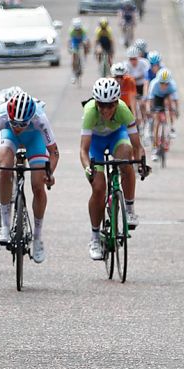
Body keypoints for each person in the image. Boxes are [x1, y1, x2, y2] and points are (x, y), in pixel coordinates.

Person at [0, 92, 58, 263]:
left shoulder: (40, 118)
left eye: (23, 124)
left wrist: (49, 173)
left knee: (37, 186)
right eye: (14, 123)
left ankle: (38, 238)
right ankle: (4, 225)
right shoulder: (1, 116)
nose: (18, 127)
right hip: (9, 138)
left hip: (34, 139)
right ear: (9, 117)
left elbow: (54, 153)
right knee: (4, 170)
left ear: (31, 117)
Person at [80, 78, 145, 260]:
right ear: (96, 103)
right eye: (101, 105)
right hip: (96, 144)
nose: (106, 110)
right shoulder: (90, 112)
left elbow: (137, 145)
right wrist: (88, 168)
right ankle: (94, 238)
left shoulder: (124, 110)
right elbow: (83, 150)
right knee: (99, 188)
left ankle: (130, 209)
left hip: (117, 137)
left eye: (110, 105)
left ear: (117, 102)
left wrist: (140, 163)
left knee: (126, 158)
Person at [147, 68, 178, 159]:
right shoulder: (153, 84)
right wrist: (150, 109)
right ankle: (155, 147)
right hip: (157, 98)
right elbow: (150, 100)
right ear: (158, 81)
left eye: (166, 83)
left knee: (169, 101)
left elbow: (175, 100)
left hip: (166, 97)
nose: (164, 86)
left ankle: (170, 127)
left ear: (169, 82)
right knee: (157, 121)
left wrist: (175, 110)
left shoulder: (172, 85)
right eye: (162, 83)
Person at [69, 18, 89, 82]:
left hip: (81, 41)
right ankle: (74, 73)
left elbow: (85, 38)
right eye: (76, 29)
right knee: (74, 56)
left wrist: (85, 44)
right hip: (75, 42)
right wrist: (70, 48)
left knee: (86, 44)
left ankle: (85, 56)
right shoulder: (71, 31)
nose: (77, 31)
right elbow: (70, 41)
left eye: (78, 29)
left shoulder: (83, 30)